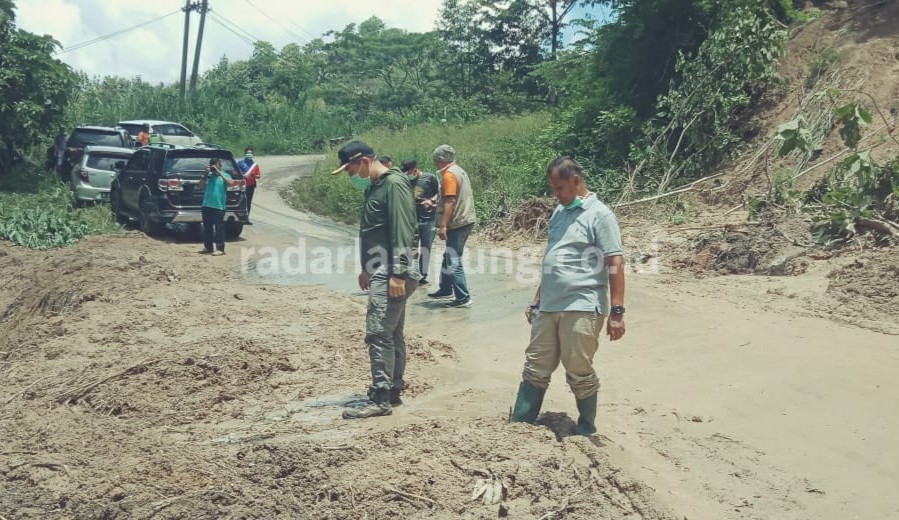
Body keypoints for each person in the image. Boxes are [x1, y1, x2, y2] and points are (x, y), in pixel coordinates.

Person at [510, 156, 626, 436]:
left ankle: (586, 429)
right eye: (553, 189)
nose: (556, 195)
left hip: (582, 304)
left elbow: (615, 262)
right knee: (535, 365)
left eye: (559, 188)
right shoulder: (559, 213)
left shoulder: (600, 215)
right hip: (549, 305)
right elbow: (553, 258)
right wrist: (538, 298)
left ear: (576, 181)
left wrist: (617, 312)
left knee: (578, 368)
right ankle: (520, 427)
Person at [330, 141, 419, 419]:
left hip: (393, 269)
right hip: (381, 268)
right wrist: (366, 268)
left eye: (351, 168)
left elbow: (402, 229)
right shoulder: (377, 187)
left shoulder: (394, 184)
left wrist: (398, 273)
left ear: (365, 161)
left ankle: (381, 399)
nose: (350, 175)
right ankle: (392, 392)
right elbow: (375, 231)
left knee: (379, 332)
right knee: (391, 333)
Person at [427, 144, 477, 308]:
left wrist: (443, 226)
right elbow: (451, 196)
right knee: (448, 256)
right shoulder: (459, 170)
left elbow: (450, 201)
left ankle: (463, 298)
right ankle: (445, 288)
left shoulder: (449, 175)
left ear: (441, 160)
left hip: (457, 222)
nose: (435, 164)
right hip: (466, 219)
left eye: (436, 161)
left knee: (453, 260)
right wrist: (436, 201)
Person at [401, 159, 440, 285]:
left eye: (409, 172)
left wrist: (431, 201)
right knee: (411, 248)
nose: (408, 174)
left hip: (429, 220)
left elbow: (440, 193)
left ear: (415, 169)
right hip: (413, 220)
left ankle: (423, 275)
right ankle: (410, 273)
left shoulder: (430, 178)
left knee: (426, 248)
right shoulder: (409, 182)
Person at [197, 157, 237, 256]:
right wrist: (205, 174)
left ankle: (220, 248)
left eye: (216, 165)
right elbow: (199, 186)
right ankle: (208, 247)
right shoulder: (209, 175)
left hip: (218, 207)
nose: (214, 167)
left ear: (220, 165)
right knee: (207, 228)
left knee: (219, 228)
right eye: (212, 165)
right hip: (206, 205)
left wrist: (220, 173)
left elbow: (231, 184)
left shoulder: (225, 174)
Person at [237, 147, 262, 223]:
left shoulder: (255, 165)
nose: (249, 154)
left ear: (253, 154)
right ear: (245, 154)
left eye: (251, 153)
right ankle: (239, 217)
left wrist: (254, 175)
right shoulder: (240, 163)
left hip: (251, 186)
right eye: (248, 153)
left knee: (248, 202)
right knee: (240, 201)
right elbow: (235, 172)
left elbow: (258, 176)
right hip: (241, 185)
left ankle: (246, 218)